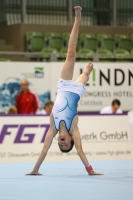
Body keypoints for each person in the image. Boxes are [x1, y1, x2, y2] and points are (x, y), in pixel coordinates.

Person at [26, 6, 102, 176]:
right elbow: (80, 151)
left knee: (71, 54)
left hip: (63, 86)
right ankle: (88, 71)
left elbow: (44, 150)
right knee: (85, 73)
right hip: (76, 91)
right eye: (67, 144)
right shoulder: (74, 127)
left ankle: (77, 18)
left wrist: (35, 170)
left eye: (61, 146)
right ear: (71, 139)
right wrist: (90, 171)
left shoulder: (52, 128)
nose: (63, 144)